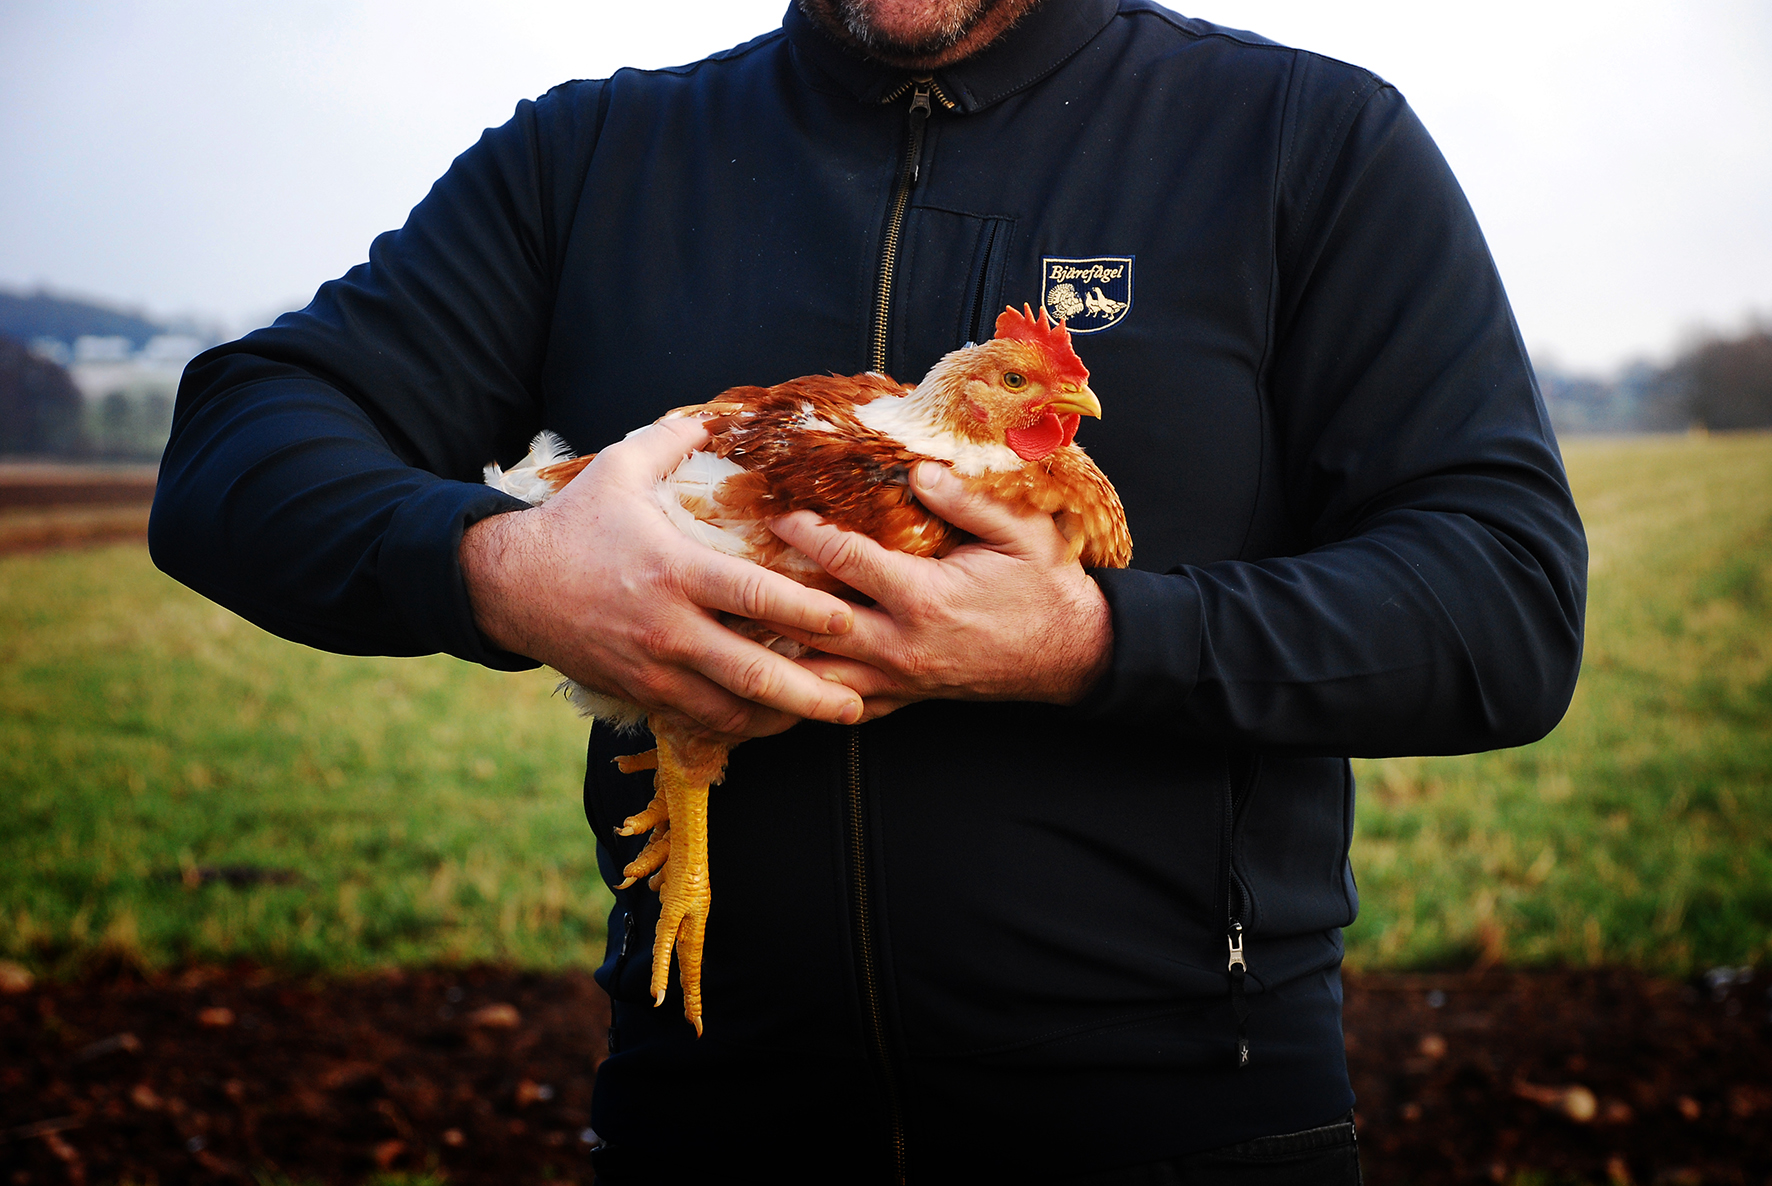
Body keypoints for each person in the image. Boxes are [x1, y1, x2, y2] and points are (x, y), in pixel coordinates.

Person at [151, 0, 1587, 1180]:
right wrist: (499, 570)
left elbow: (1506, 604)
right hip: (712, 1117)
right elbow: (239, 445)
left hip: (1182, 1122)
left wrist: (1089, 639)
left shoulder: (1301, 144)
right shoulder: (594, 160)